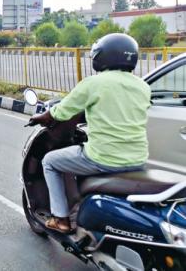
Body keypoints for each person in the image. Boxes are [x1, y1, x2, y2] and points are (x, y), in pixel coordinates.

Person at [29, 33, 151, 233]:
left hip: (104, 157)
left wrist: (43, 117)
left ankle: (60, 218)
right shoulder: (143, 87)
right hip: (138, 159)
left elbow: (63, 110)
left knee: (50, 161)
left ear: (103, 56)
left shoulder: (94, 83)